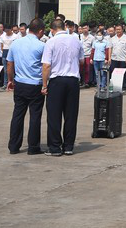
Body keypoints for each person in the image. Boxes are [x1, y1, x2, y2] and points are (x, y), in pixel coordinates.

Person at [41, 19, 84, 156]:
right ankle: (68, 146)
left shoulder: (51, 42)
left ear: (52, 30)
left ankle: (54, 147)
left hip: (57, 80)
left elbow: (46, 65)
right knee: (71, 114)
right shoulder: (76, 40)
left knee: (54, 115)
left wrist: (44, 84)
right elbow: (82, 61)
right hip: (72, 80)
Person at [6, 17, 46, 155]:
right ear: (40, 31)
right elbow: (45, 66)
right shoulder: (41, 46)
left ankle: (13, 146)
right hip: (35, 84)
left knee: (17, 114)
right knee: (35, 116)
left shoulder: (16, 43)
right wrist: (46, 84)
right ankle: (33, 147)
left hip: (20, 83)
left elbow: (10, 64)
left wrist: (10, 80)